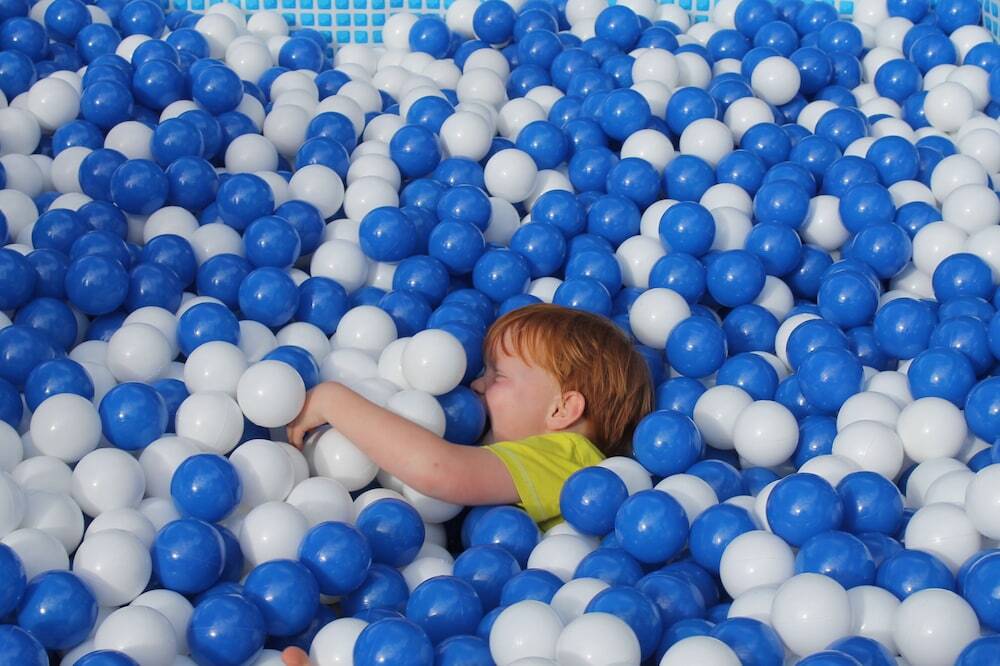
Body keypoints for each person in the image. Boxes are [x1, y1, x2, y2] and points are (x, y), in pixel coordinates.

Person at [280, 303, 653, 666]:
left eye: (497, 376)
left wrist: (334, 402)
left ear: (561, 410)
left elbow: (440, 470)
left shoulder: (570, 458)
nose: (475, 384)